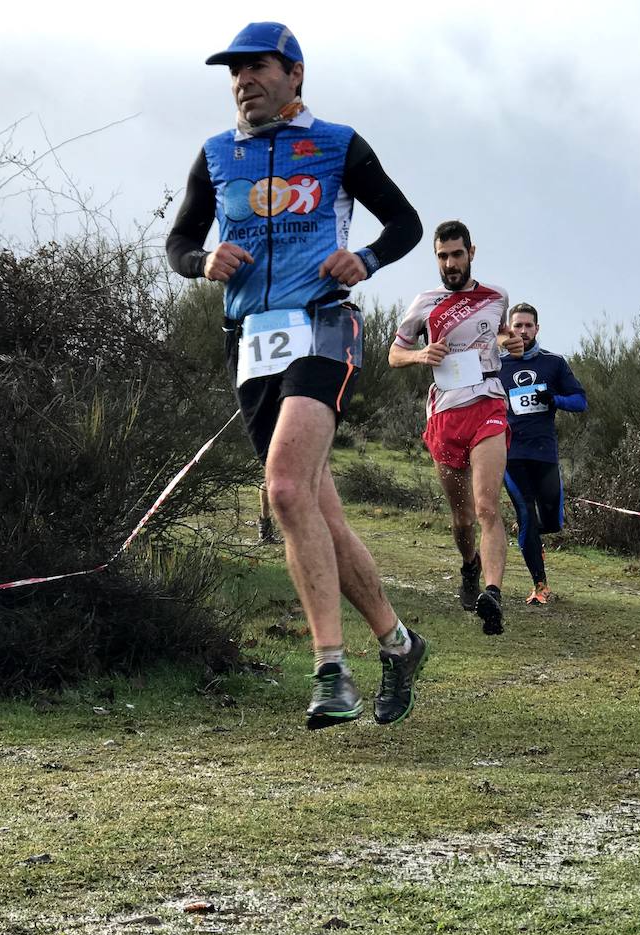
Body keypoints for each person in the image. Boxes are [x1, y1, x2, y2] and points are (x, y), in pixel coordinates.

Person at [166, 22, 429, 730]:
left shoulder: (338, 143)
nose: (242, 81)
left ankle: (330, 670)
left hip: (323, 325)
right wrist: (202, 263)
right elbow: (179, 241)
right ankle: (400, 644)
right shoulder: (217, 155)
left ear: (295, 74)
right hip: (249, 344)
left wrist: (366, 260)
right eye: (233, 73)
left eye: (256, 68)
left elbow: (406, 223)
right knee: (318, 512)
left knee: (283, 488)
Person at [390, 221, 523, 635]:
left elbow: (502, 336)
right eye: (443, 256)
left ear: (471, 253)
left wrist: (510, 344)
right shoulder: (424, 302)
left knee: (486, 506)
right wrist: (420, 355)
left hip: (487, 404)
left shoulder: (496, 296)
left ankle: (493, 595)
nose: (450, 263)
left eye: (457, 254)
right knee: (462, 517)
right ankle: (470, 566)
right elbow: (395, 354)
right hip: (445, 414)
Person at [498, 303, 587, 605]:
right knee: (525, 512)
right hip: (510, 453)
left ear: (537, 329)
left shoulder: (554, 363)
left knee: (552, 521)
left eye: (528, 326)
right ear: (508, 328)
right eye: (517, 326)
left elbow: (580, 401)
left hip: (544, 452)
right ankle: (540, 585)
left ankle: (531, 534)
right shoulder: (495, 364)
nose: (522, 331)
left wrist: (555, 398)